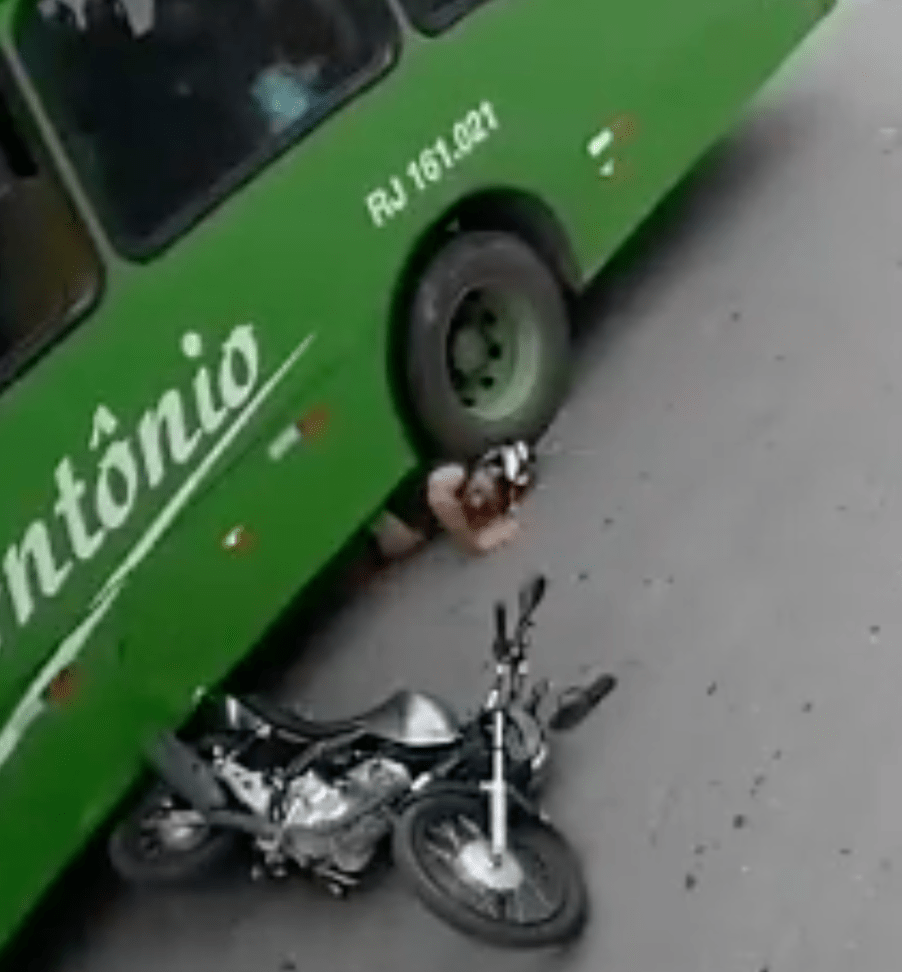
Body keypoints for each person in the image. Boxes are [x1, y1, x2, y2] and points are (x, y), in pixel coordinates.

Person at [359, 441, 536, 583]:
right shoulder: (454, 474)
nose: (477, 502)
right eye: (479, 492)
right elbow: (441, 500)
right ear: (484, 469)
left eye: (487, 503)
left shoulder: (469, 490)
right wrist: (480, 541)